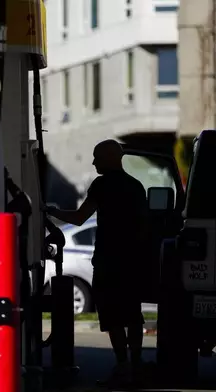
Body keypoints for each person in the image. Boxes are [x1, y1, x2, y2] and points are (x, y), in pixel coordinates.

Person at [45, 139, 148, 387]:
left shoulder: (102, 185)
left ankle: (123, 366)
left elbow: (80, 218)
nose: (93, 162)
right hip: (132, 260)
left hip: (108, 261)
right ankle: (135, 365)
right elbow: (145, 225)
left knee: (112, 314)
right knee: (133, 313)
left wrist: (51, 211)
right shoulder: (136, 187)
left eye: (97, 157)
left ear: (111, 158)